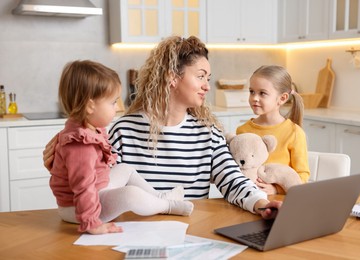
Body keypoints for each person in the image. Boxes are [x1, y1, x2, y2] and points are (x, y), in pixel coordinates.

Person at [44, 36, 281, 220]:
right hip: (130, 234)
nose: (207, 86)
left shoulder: (208, 134)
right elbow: (93, 184)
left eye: (208, 78)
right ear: (172, 78)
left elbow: (233, 181)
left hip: (190, 232)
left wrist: (260, 203)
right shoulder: (123, 131)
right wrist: (62, 162)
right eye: (200, 76)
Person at [49, 60, 193, 235]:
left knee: (124, 168)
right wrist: (91, 223)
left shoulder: (88, 129)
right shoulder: (80, 145)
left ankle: (159, 197)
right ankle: (167, 205)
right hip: (79, 209)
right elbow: (83, 187)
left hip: (96, 192)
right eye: (112, 102)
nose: (117, 107)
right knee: (130, 195)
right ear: (90, 106)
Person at [236, 65, 310, 195]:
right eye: (251, 91)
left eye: (262, 93)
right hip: (248, 200)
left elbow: (302, 175)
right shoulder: (243, 131)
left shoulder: (294, 133)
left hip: (280, 203)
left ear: (282, 98)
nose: (254, 98)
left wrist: (277, 190)